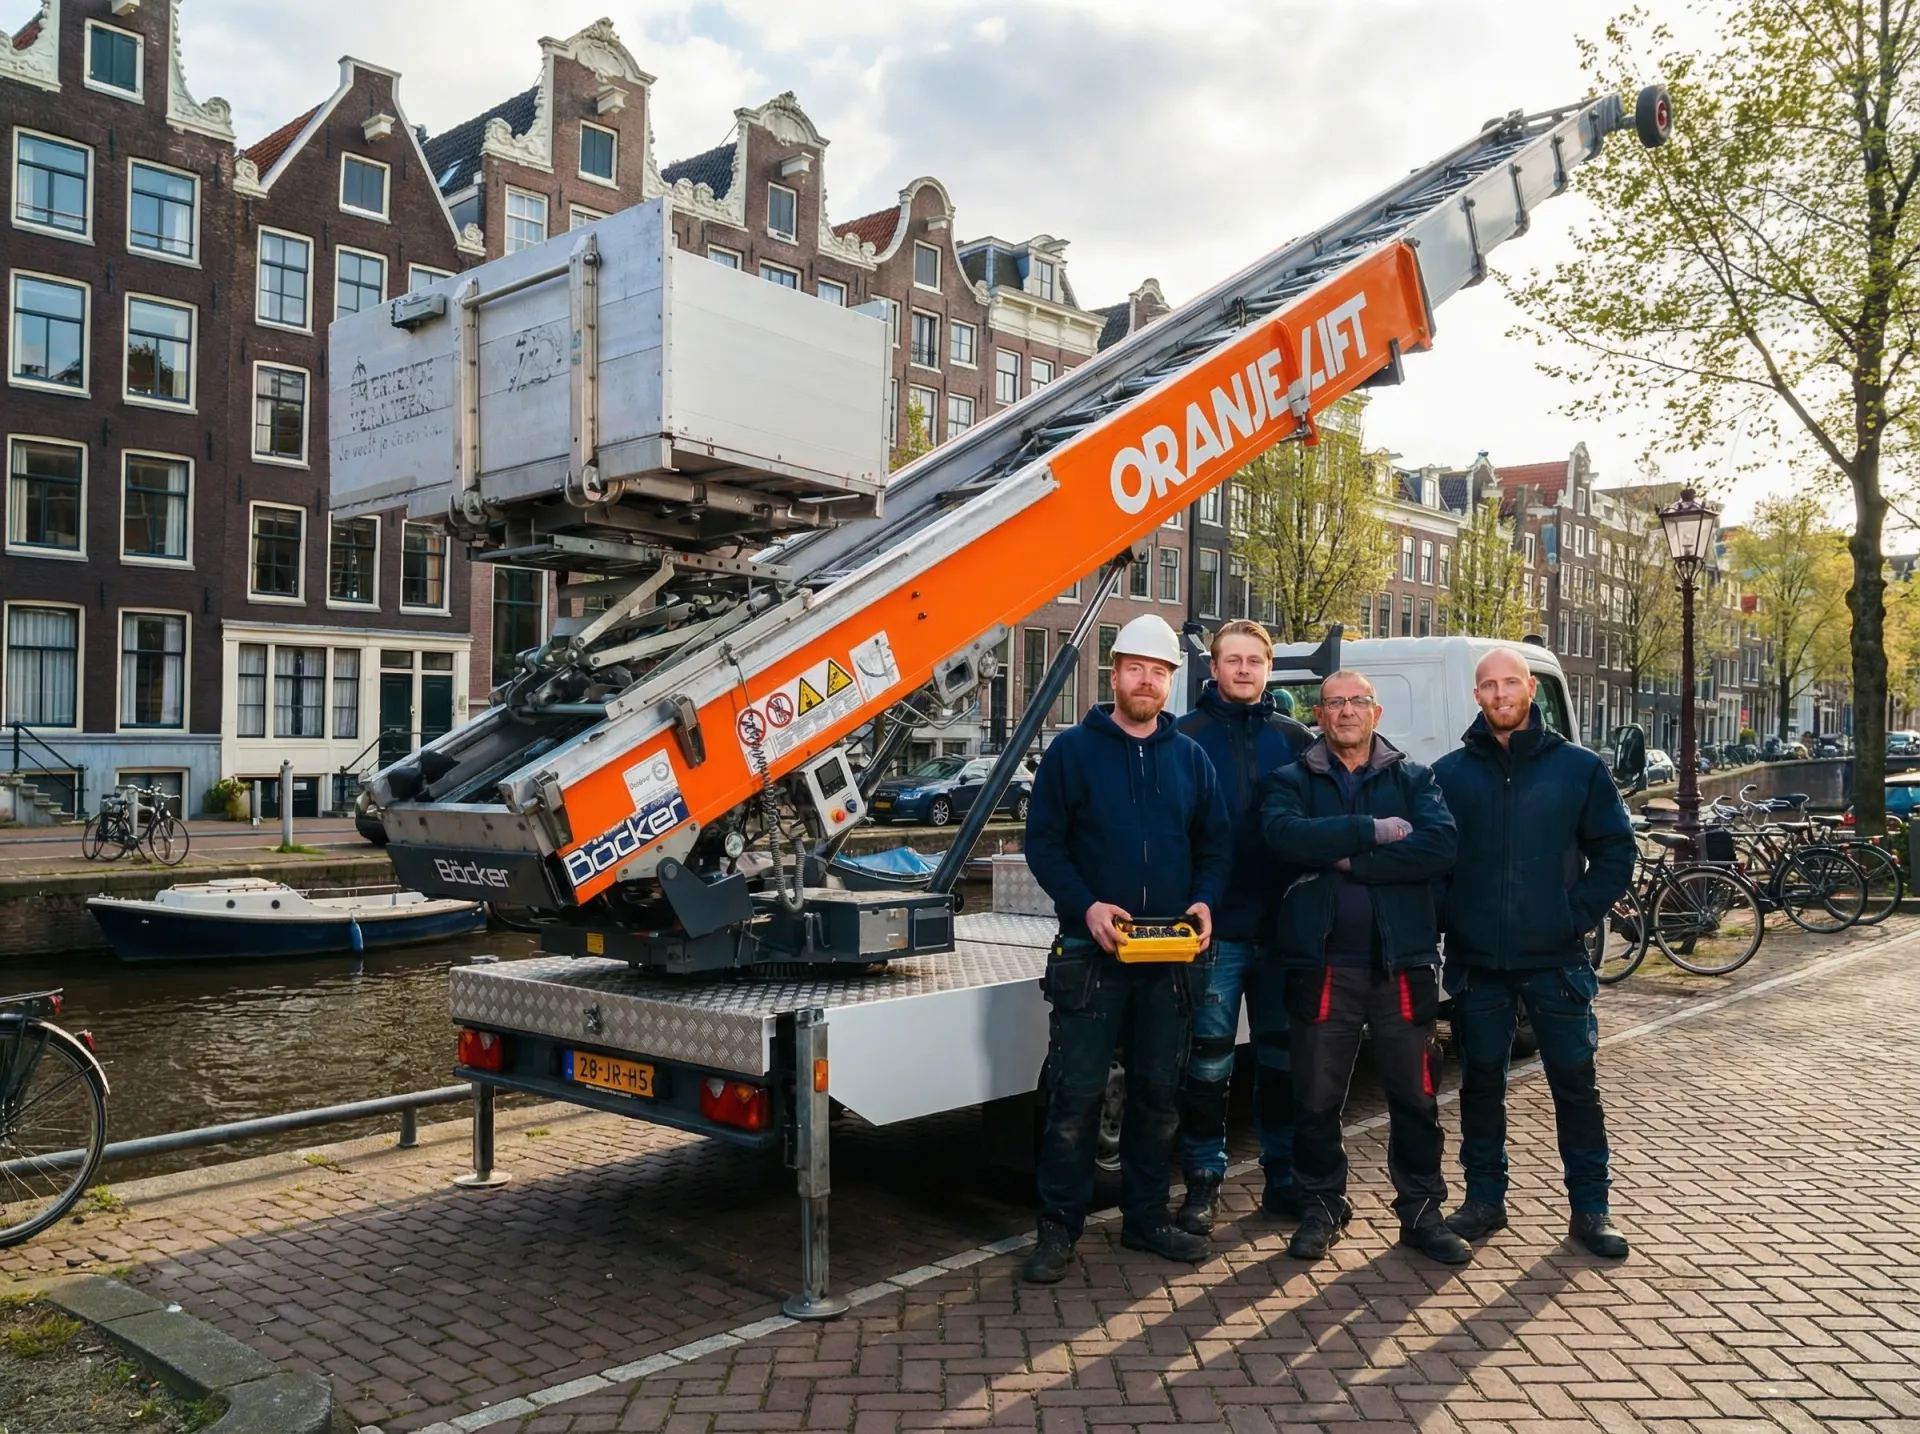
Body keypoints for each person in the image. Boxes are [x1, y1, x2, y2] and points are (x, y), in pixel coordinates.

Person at [1019, 613, 1233, 1284]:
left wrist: (1205, 900)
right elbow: (1043, 844)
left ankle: (1146, 1218)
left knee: (1157, 1095)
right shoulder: (1072, 753)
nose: (1147, 681)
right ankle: (1058, 1229)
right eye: (1136, 668)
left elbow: (1216, 845)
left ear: (1171, 682)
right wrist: (1086, 905)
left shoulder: (1191, 759)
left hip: (1169, 955)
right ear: (1114, 675)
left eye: (1159, 672)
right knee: (1076, 1095)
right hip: (1091, 952)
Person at [1431, 648, 1636, 1260]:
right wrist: (1452, 919)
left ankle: (1591, 1209)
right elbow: (1431, 862)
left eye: (1510, 683)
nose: (1500, 694)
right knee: (1479, 1087)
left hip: (1556, 961)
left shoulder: (1579, 769)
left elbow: (1616, 852)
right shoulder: (1448, 774)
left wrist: (1572, 916)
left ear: (1529, 689)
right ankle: (1484, 1200)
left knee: (1575, 1086)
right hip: (1478, 965)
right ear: (1476, 696)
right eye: (1489, 686)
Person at [1260, 669, 1467, 1264]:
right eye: (1334, 702)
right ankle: (1322, 1206)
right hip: (1323, 966)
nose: (1346, 711)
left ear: (1376, 712)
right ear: (1318, 715)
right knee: (1316, 1099)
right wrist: (1371, 832)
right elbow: (1285, 838)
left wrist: (1349, 861)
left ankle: (1422, 1212)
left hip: (1402, 967)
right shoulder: (1290, 780)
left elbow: (1440, 847)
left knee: (1416, 1098)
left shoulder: (1415, 779)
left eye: (1357, 701)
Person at [1170, 620, 1310, 1235]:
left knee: (1281, 1061)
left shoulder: (1295, 739)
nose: (1245, 669)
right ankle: (1203, 1181)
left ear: (1268, 669)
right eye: (1234, 659)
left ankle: (1282, 1177)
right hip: (1215, 929)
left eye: (1256, 660)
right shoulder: (1184, 737)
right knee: (1207, 1063)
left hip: (1282, 930)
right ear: (1214, 667)